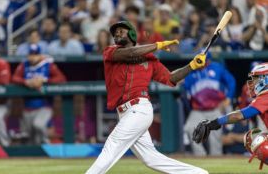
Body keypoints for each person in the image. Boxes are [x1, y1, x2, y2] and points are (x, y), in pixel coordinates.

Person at [85, 20, 208, 174]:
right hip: (125, 113)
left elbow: (171, 78)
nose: (117, 34)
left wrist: (192, 66)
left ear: (131, 34)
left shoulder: (150, 60)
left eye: (121, 31)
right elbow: (130, 53)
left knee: (113, 143)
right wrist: (158, 45)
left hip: (139, 109)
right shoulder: (111, 52)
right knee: (151, 159)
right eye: (114, 33)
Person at [192, 62, 268, 168]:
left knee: (258, 141)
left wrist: (214, 123)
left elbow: (239, 115)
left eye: (256, 79)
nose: (253, 83)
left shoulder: (265, 96)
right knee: (252, 137)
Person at [183, 52, 236, 156]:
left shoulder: (217, 68)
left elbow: (231, 81)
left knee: (215, 135)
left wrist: (229, 98)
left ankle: (216, 161)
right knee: (190, 128)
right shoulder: (191, 72)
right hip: (198, 110)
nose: (202, 62)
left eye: (205, 60)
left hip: (215, 108)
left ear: (209, 60)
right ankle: (200, 158)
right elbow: (185, 92)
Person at [12, 44, 66, 144]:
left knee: (39, 125)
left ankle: (47, 145)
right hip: (28, 107)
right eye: (31, 54)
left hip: (44, 105)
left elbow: (61, 78)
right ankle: (37, 155)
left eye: (35, 54)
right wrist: (26, 82)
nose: (33, 57)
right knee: (30, 137)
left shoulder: (48, 64)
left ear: (40, 55)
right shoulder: (24, 65)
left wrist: (44, 80)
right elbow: (14, 78)